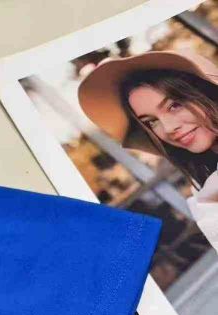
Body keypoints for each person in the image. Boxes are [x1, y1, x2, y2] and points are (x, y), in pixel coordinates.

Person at [78, 49, 218, 251]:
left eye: (174, 106)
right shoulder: (203, 185)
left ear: (206, 93)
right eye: (151, 121)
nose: (168, 128)